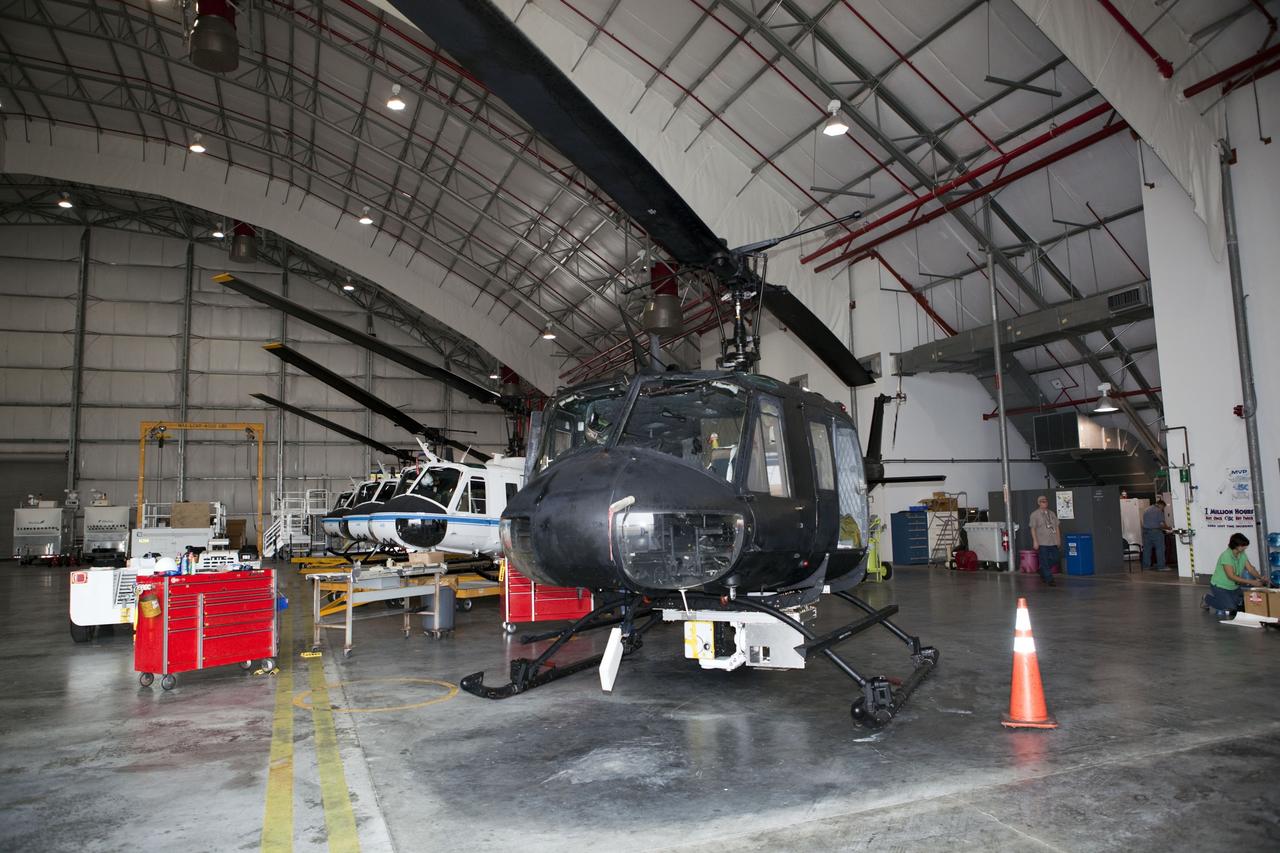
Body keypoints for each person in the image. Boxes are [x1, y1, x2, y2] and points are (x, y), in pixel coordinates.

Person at [1203, 532, 1267, 616]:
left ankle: (1226, 600)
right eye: (1243, 545)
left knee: (1244, 604)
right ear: (1236, 546)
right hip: (1220, 587)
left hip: (1234, 587)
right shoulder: (1226, 556)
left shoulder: (1242, 554)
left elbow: (1250, 569)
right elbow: (1231, 576)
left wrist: (1260, 577)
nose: (1245, 547)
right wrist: (1251, 582)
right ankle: (1206, 598)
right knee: (1230, 607)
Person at [1029, 495, 1060, 586]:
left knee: (1056, 558)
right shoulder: (1035, 514)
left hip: (1053, 541)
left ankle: (1042, 570)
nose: (1045, 503)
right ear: (1039, 503)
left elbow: (1057, 527)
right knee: (1044, 561)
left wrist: (1058, 539)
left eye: (1046, 501)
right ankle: (1049, 579)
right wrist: (1035, 541)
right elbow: (1033, 528)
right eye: (1042, 501)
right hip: (1042, 542)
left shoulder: (1052, 513)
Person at [1141, 499, 1170, 571]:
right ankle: (1161, 566)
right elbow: (1162, 524)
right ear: (1161, 505)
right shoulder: (1158, 511)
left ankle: (1146, 566)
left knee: (1147, 550)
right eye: (1163, 507)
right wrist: (1168, 528)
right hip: (1156, 532)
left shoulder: (1147, 510)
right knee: (1160, 549)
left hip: (1146, 532)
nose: (1163, 509)